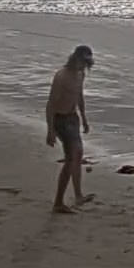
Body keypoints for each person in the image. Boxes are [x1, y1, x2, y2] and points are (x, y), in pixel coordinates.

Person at [45, 45, 94, 214]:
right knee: (71, 157)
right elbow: (50, 105)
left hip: (73, 118)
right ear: (75, 58)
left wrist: (85, 119)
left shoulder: (81, 74)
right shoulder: (61, 76)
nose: (84, 66)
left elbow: (79, 97)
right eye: (83, 62)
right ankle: (58, 202)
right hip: (60, 119)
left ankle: (78, 195)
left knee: (78, 154)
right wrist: (50, 130)